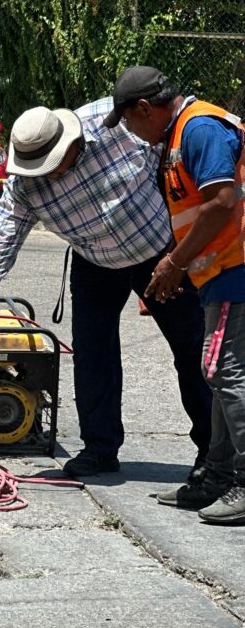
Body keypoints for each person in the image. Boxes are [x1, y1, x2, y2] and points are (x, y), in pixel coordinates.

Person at [0, 100, 213, 479]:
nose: (47, 174)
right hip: (94, 261)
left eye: (51, 164)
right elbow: (3, 241)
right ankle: (99, 449)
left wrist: (186, 249)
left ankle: (215, 454)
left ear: (71, 143)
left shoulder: (115, 123)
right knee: (93, 354)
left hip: (161, 255)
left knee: (193, 348)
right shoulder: (24, 186)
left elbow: (169, 145)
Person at [107, 66, 245, 523]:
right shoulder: (179, 134)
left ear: (145, 108)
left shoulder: (199, 128)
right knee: (219, 375)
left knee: (227, 374)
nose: (131, 131)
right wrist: (172, 265)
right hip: (220, 273)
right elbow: (192, 212)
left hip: (236, 269)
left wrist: (175, 263)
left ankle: (240, 481)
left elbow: (222, 201)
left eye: (129, 120)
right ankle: (218, 477)